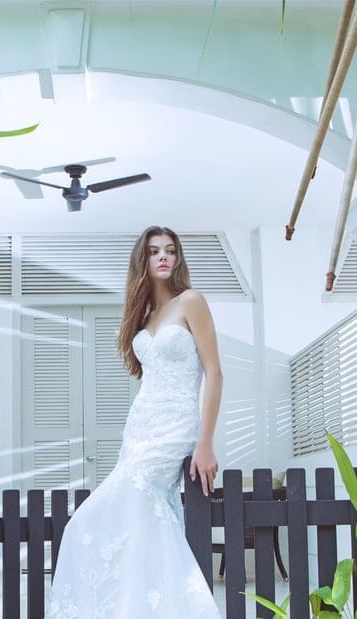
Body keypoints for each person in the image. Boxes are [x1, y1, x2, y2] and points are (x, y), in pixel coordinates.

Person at [45, 225, 223, 618]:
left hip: (176, 426)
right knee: (120, 520)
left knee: (123, 504)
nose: (164, 257)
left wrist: (205, 442)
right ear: (142, 260)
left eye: (171, 251)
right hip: (140, 426)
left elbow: (214, 372)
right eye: (155, 251)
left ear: (178, 259)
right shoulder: (145, 314)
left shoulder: (191, 301)